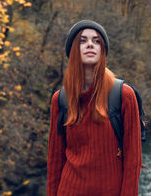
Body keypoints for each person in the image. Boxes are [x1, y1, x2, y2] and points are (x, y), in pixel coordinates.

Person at [47, 20, 142, 196]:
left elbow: (133, 160)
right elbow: (54, 160)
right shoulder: (60, 99)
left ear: (103, 50)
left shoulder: (124, 95)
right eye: (82, 40)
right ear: (73, 50)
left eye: (97, 41)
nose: (90, 44)